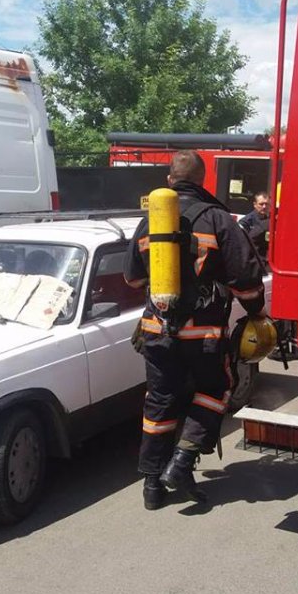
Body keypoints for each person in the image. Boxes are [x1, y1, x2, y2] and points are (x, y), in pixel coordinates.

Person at [124, 150, 266, 510]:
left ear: (169, 180)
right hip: (203, 334)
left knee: (160, 400)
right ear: (203, 180)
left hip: (157, 330)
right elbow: (246, 277)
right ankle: (182, 462)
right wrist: (256, 313)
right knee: (215, 390)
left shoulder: (149, 222)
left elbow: (133, 278)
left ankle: (152, 485)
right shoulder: (217, 218)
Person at [238, 191, 270, 258]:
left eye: (266, 204)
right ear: (255, 204)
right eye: (261, 204)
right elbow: (241, 243)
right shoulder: (246, 221)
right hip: (251, 258)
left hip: (264, 257)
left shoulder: (270, 219)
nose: (264, 207)